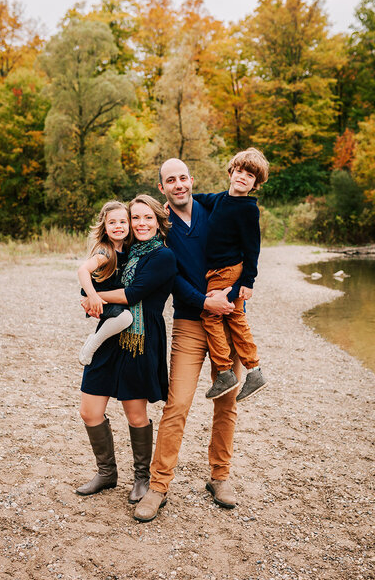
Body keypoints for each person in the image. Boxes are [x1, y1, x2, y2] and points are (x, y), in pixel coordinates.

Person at [134, 158, 243, 523]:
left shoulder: (215, 211)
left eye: (183, 178)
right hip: (189, 322)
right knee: (177, 405)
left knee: (227, 403)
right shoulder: (161, 227)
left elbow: (241, 250)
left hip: (227, 320)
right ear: (162, 187)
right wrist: (201, 301)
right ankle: (159, 486)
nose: (178, 184)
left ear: (192, 180)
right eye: (170, 180)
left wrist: (238, 290)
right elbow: (172, 275)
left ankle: (220, 477)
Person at [77, 195, 177, 506]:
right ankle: (107, 473)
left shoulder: (162, 257)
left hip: (140, 340)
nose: (140, 223)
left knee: (135, 415)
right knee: (89, 411)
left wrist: (97, 298)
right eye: (136, 218)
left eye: (148, 218)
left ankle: (142, 477)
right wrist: (90, 295)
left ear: (159, 221)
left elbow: (134, 293)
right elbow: (88, 283)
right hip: (109, 338)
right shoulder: (123, 251)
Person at [194, 147, 269, 402]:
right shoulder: (219, 199)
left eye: (250, 175)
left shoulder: (248, 209)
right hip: (218, 269)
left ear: (255, 183)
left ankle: (225, 371)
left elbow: (252, 248)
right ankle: (254, 370)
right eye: (239, 171)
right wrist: (170, 203)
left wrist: (247, 281)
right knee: (235, 317)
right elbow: (200, 198)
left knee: (211, 314)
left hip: (227, 270)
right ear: (231, 172)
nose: (243, 177)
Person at [77, 201, 133, 366]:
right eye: (112, 222)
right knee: (126, 318)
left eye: (123, 222)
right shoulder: (105, 252)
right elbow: (83, 270)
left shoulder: (127, 248)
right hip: (99, 299)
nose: (118, 226)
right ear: (104, 226)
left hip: (112, 296)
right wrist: (93, 297)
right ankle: (92, 343)